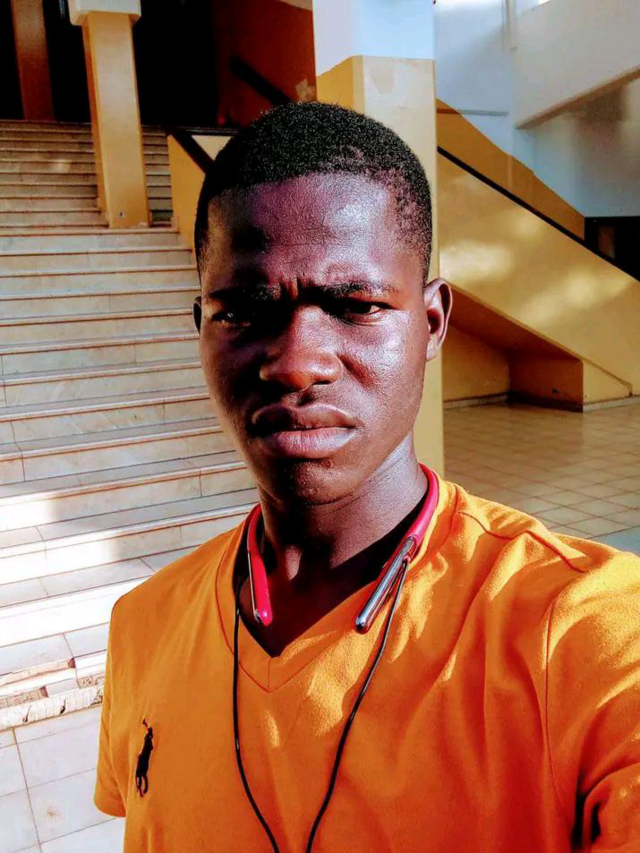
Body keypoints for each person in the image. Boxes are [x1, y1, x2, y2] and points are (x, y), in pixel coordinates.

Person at [94, 102, 640, 852]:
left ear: (432, 323)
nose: (296, 362)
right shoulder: (144, 624)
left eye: (356, 306)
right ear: (201, 328)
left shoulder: (579, 630)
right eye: (243, 310)